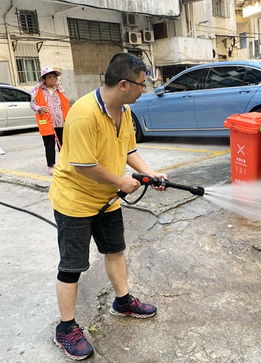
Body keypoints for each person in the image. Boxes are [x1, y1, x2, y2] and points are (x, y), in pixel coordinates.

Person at [48, 53, 165, 360]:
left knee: (114, 251)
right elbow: (83, 165)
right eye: (142, 84)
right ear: (123, 84)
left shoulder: (122, 111)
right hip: (75, 201)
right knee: (72, 266)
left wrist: (149, 173)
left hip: (106, 198)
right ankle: (66, 328)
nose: (145, 89)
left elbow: (127, 149)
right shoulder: (85, 114)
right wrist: (121, 182)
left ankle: (123, 301)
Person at [30, 66, 70, 175]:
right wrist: (39, 108)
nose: (53, 79)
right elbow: (32, 104)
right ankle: (51, 165)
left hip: (61, 122)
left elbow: (65, 105)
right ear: (44, 79)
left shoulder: (59, 90)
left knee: (64, 143)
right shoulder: (38, 91)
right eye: (50, 77)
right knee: (49, 144)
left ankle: (65, 163)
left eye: (54, 77)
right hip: (47, 122)